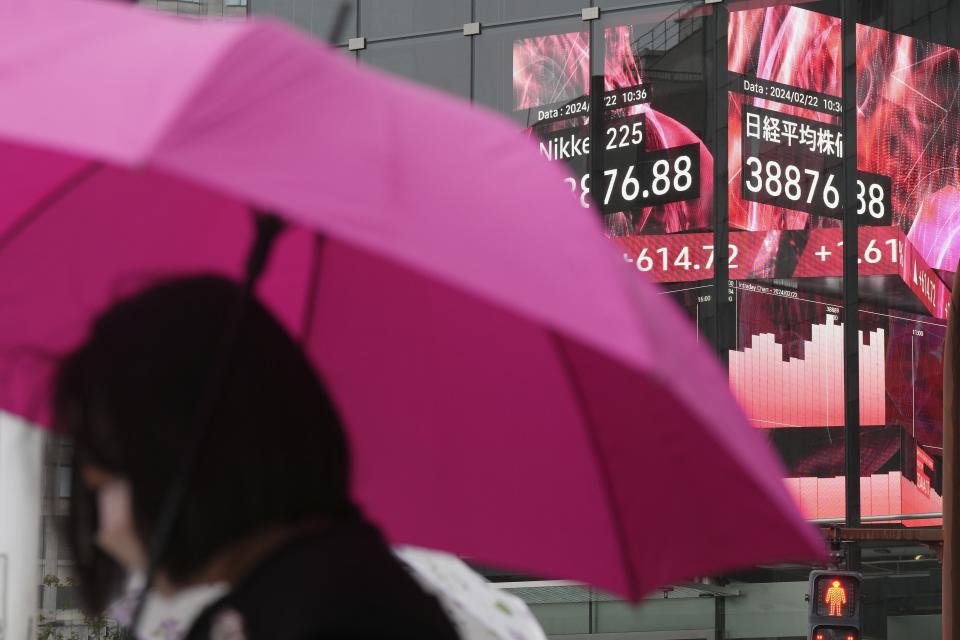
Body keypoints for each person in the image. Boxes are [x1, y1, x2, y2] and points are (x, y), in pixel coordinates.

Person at [53, 275, 461, 639]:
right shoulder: (276, 601)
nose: (104, 530)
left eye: (104, 485)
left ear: (186, 455)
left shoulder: (345, 614)